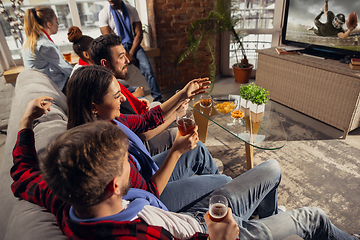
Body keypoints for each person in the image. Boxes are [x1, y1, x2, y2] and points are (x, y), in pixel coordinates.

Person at [11, 97, 360, 239]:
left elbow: (23, 173)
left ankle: (264, 215)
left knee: (270, 167)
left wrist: (26, 123)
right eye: (124, 166)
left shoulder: (62, 196)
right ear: (112, 187)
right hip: (209, 232)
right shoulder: (138, 234)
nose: (131, 168)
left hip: (194, 218)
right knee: (312, 217)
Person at [66, 65, 233, 212]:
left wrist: (183, 93)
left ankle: (220, 201)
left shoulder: (110, 120)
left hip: (145, 175)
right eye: (117, 95)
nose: (123, 98)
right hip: (150, 200)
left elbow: (146, 120)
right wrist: (176, 151)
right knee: (225, 181)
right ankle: (221, 200)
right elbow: (149, 193)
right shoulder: (102, 149)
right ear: (94, 106)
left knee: (198, 150)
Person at [90, 33, 178, 156]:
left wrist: (136, 101)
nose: (127, 60)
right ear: (105, 64)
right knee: (179, 131)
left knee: (158, 104)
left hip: (140, 122)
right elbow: (143, 134)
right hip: (140, 145)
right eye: (121, 57)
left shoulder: (113, 82)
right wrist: (176, 114)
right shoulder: (110, 96)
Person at [98, 0, 163, 102]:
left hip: (134, 46)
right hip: (117, 48)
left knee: (148, 70)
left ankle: (158, 99)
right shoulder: (104, 13)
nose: (110, 1)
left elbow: (139, 34)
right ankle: (122, 101)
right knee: (115, 74)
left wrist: (131, 53)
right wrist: (124, 53)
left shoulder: (131, 10)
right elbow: (108, 40)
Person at [22, 6, 73, 91]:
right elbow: (63, 66)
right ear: (49, 24)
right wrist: (82, 76)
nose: (58, 24)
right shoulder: (44, 45)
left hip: (40, 84)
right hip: (54, 86)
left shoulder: (30, 41)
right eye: (56, 21)